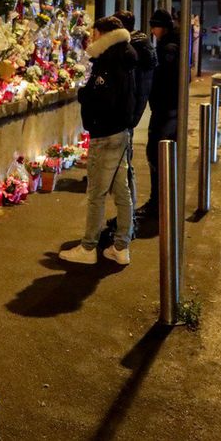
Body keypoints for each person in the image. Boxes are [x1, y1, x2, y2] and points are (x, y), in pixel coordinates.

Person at [59, 16, 137, 265]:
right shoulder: (125, 55)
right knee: (121, 191)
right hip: (121, 132)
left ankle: (88, 247)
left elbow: (103, 99)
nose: (92, 39)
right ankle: (121, 246)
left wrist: (85, 94)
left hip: (105, 134)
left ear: (105, 35)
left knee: (96, 194)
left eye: (95, 35)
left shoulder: (109, 60)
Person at [137, 9, 180, 218]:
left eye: (154, 27)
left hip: (165, 110)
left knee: (157, 154)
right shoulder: (171, 44)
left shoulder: (168, 48)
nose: (153, 31)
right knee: (160, 154)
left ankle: (158, 203)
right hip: (168, 109)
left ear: (162, 27)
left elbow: (162, 78)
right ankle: (162, 201)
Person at [113, 9, 156, 210]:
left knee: (125, 163)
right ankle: (128, 211)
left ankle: (128, 213)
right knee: (125, 160)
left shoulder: (132, 49)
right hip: (133, 108)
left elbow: (129, 83)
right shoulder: (142, 45)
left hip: (128, 110)